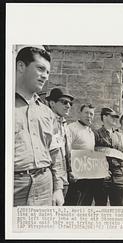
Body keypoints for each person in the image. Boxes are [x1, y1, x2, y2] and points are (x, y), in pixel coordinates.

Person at [14, 46, 64, 206]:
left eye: (48, 72)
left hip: (45, 185)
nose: (45, 77)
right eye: (41, 69)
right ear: (21, 66)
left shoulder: (47, 112)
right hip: (14, 187)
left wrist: (58, 188)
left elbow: (54, 152)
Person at [64, 103, 96, 205]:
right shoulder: (71, 128)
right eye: (86, 113)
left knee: (86, 204)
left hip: (88, 176)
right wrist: (70, 171)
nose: (89, 116)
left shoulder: (91, 132)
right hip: (75, 177)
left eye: (91, 114)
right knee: (73, 205)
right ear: (80, 113)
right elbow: (66, 151)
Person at [45, 88, 74, 199]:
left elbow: (66, 152)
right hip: (51, 179)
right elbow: (53, 153)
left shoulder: (64, 124)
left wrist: (70, 170)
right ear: (52, 103)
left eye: (70, 103)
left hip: (64, 177)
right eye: (64, 102)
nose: (68, 106)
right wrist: (57, 183)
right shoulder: (48, 122)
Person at [94, 108, 123, 206]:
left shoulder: (119, 136)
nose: (116, 119)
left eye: (116, 117)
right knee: (101, 205)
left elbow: (121, 154)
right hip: (102, 175)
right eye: (113, 116)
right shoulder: (96, 134)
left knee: (118, 206)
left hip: (118, 174)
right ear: (104, 117)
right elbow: (93, 154)